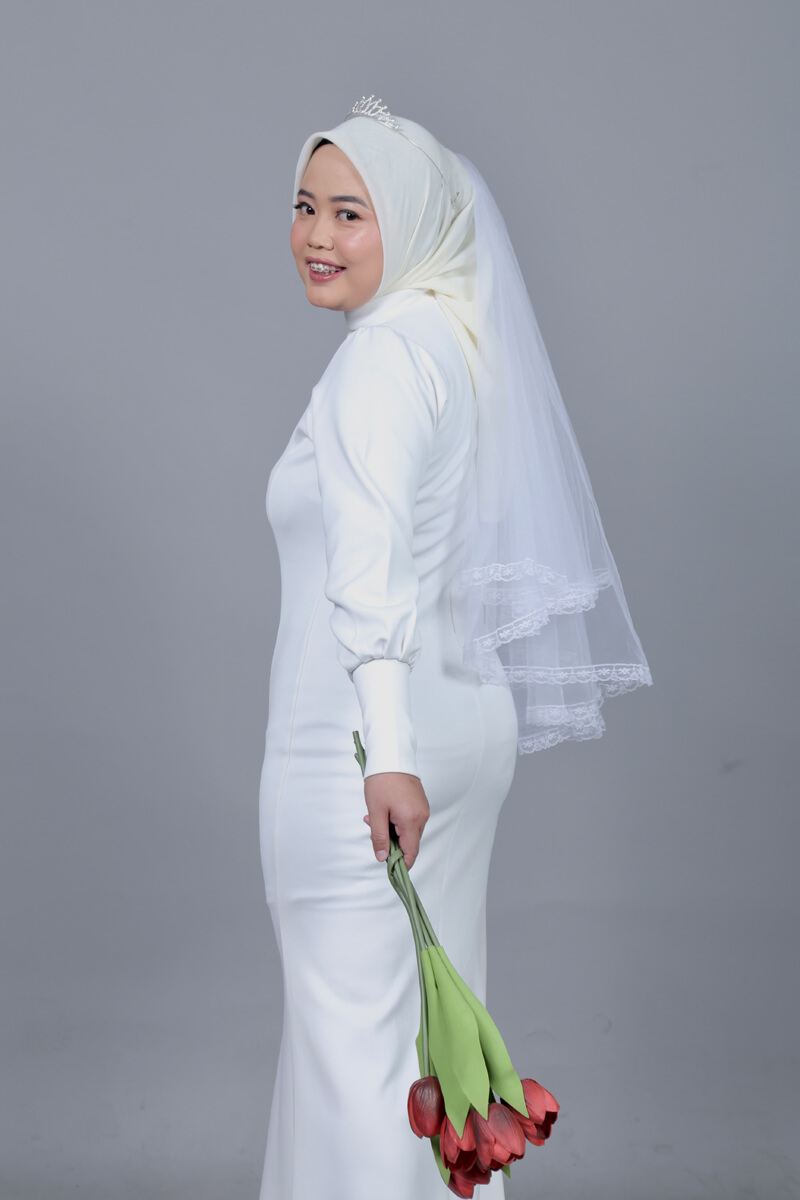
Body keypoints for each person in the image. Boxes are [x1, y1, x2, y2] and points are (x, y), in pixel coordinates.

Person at [258, 97, 651, 1200]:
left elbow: (368, 571)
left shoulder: (380, 362)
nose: (316, 235)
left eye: (351, 212)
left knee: (355, 1057)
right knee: (433, 1052)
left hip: (364, 757)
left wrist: (384, 755)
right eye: (304, 205)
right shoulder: (457, 342)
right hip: (465, 728)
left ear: (415, 220)